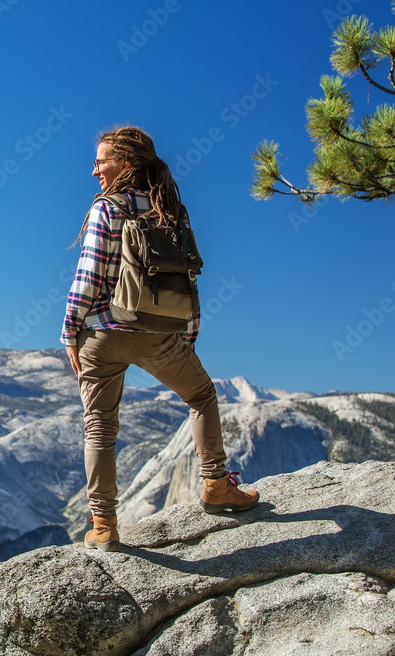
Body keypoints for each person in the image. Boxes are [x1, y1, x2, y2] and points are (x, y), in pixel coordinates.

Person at [61, 126, 259, 552]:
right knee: (202, 396)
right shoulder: (169, 210)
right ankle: (217, 485)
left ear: (126, 164)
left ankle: (104, 525)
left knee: (99, 427)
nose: (93, 169)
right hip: (158, 332)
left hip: (102, 333)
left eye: (101, 161)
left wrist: (69, 333)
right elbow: (186, 278)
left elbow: (89, 277)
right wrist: (187, 334)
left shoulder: (107, 208)